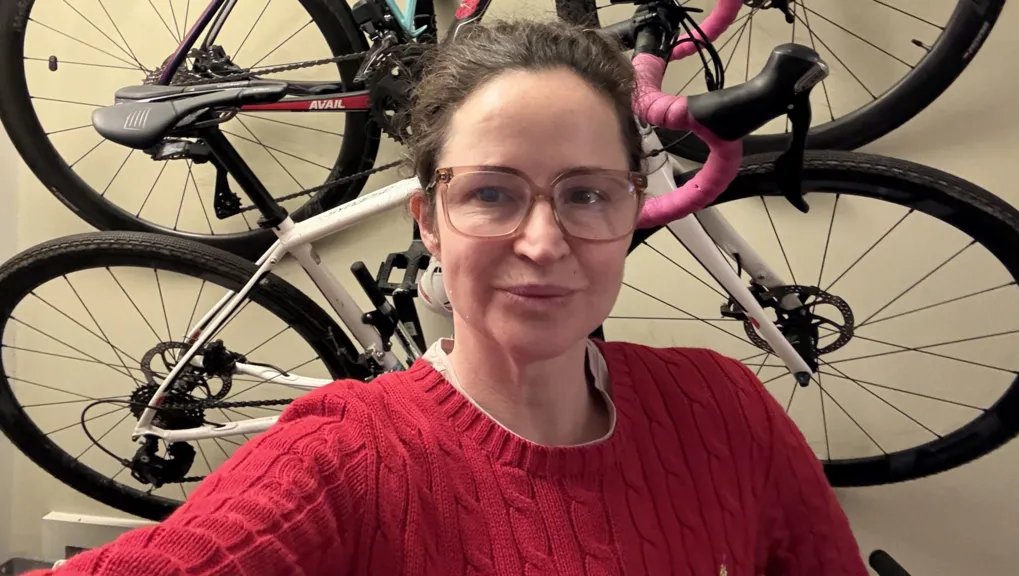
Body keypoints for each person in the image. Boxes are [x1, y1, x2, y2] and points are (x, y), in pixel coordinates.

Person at [34, 19, 868, 576]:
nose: (544, 243)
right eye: (492, 193)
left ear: (633, 206)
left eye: (586, 194)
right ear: (429, 221)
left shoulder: (725, 405)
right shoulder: (344, 460)